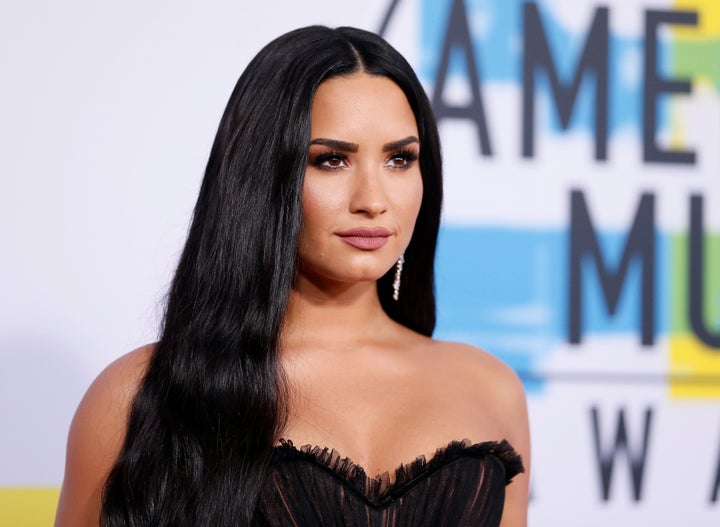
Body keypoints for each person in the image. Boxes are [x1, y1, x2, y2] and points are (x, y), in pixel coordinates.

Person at [55, 25, 530, 527]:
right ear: (264, 176)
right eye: (331, 160)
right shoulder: (138, 397)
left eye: (399, 159)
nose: (372, 199)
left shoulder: (489, 389)